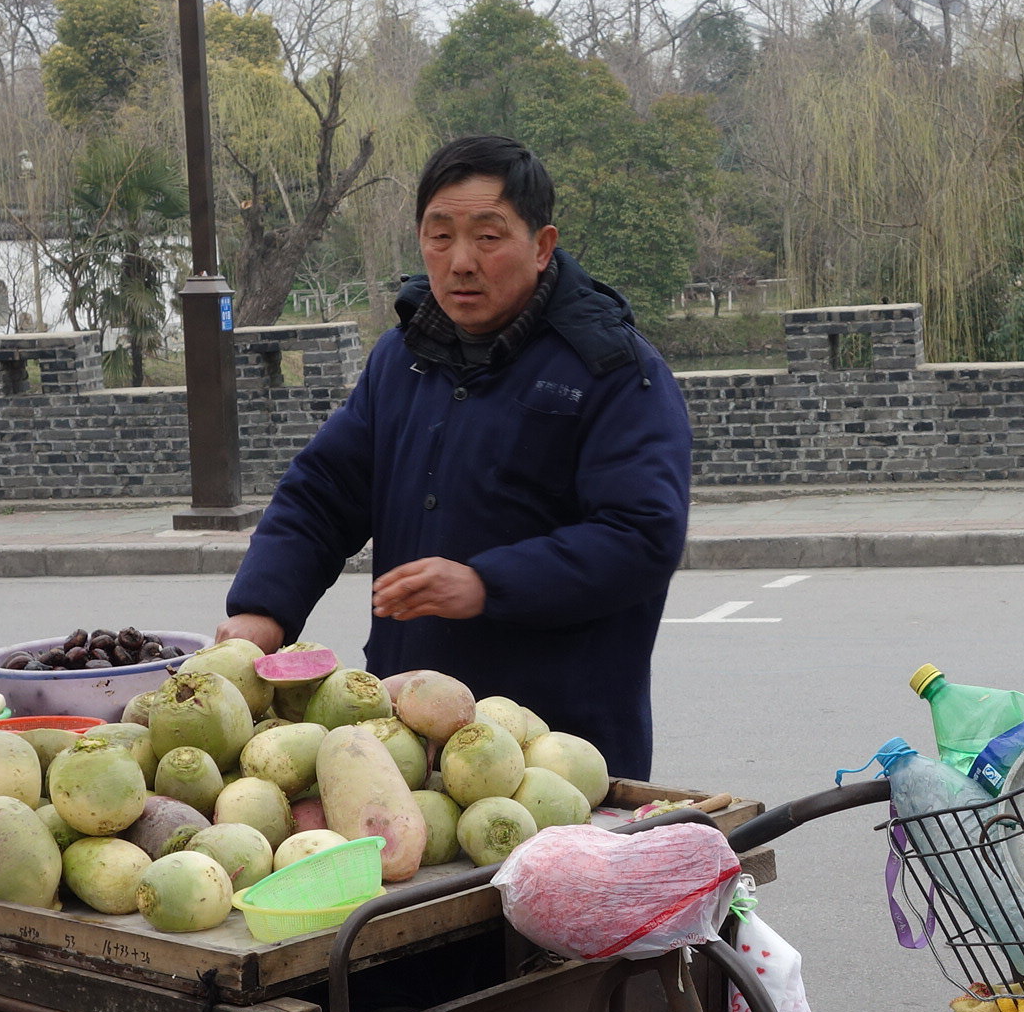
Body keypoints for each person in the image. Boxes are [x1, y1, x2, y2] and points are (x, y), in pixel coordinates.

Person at [217, 135, 691, 781]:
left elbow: (640, 536)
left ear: (543, 245)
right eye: (440, 237)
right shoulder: (403, 358)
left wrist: (485, 584)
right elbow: (323, 492)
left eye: (488, 237)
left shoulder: (611, 370)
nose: (461, 262)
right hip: (405, 738)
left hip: (553, 751)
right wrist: (261, 610)